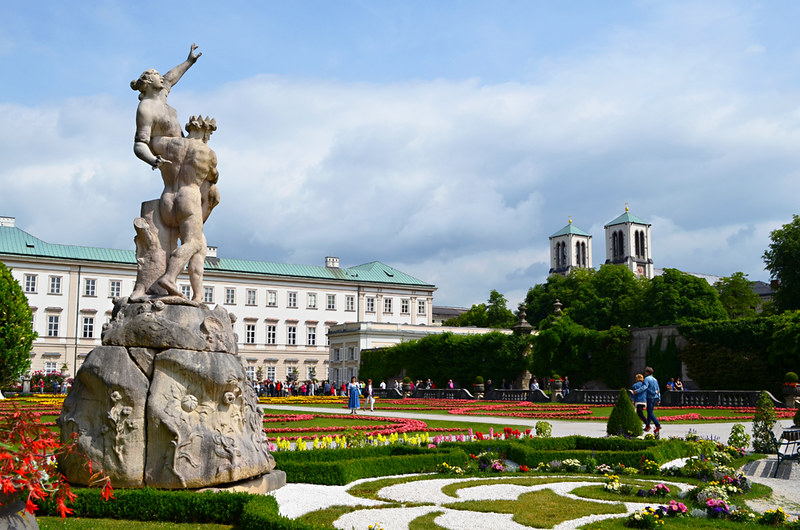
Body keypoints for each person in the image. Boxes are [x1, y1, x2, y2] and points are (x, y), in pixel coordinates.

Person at [643, 366, 662, 433]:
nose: (645, 373)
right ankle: (647, 426)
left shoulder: (647, 379)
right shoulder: (655, 379)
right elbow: (658, 389)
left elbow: (646, 388)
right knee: (650, 411)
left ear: (647, 372)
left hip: (650, 397)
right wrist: (659, 398)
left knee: (650, 412)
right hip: (655, 397)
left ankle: (657, 425)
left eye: (645, 372)